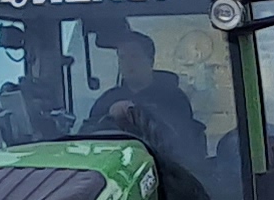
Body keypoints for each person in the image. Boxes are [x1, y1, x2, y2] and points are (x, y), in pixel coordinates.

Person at [80, 27, 212, 172]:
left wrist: (137, 112)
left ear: (150, 60)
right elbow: (87, 140)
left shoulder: (173, 98)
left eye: (134, 56)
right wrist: (109, 118)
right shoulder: (107, 100)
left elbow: (181, 144)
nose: (128, 63)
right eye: (122, 57)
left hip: (166, 173)